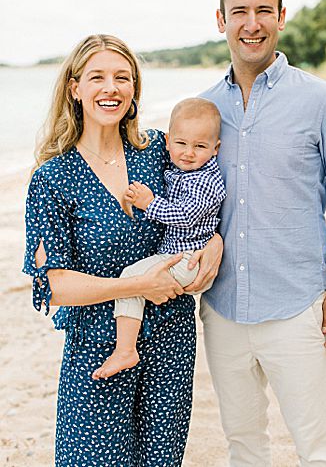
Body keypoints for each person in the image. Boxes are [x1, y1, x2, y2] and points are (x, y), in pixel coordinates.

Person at [22, 34, 223, 465]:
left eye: (122, 77)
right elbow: (53, 285)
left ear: (134, 89)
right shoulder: (53, 178)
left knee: (161, 460)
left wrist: (217, 242)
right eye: (97, 77)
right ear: (75, 88)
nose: (110, 88)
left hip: (170, 339)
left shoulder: (159, 151)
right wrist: (134, 285)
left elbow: (207, 201)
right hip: (98, 348)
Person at [198, 0, 326, 466]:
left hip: (297, 307)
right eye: (240, 12)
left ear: (281, 18)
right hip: (222, 307)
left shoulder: (321, 101)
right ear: (221, 20)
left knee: (318, 449)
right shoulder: (203, 111)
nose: (252, 23)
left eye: (263, 11)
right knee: (243, 445)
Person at [93, 98, 227, 380]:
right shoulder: (180, 166)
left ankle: (125, 349)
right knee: (135, 280)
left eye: (200, 146)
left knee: (131, 278)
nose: (189, 153)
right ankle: (128, 346)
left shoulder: (206, 181)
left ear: (215, 149)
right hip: (179, 255)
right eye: (181, 144)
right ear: (167, 142)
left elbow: (186, 215)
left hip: (191, 259)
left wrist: (149, 203)